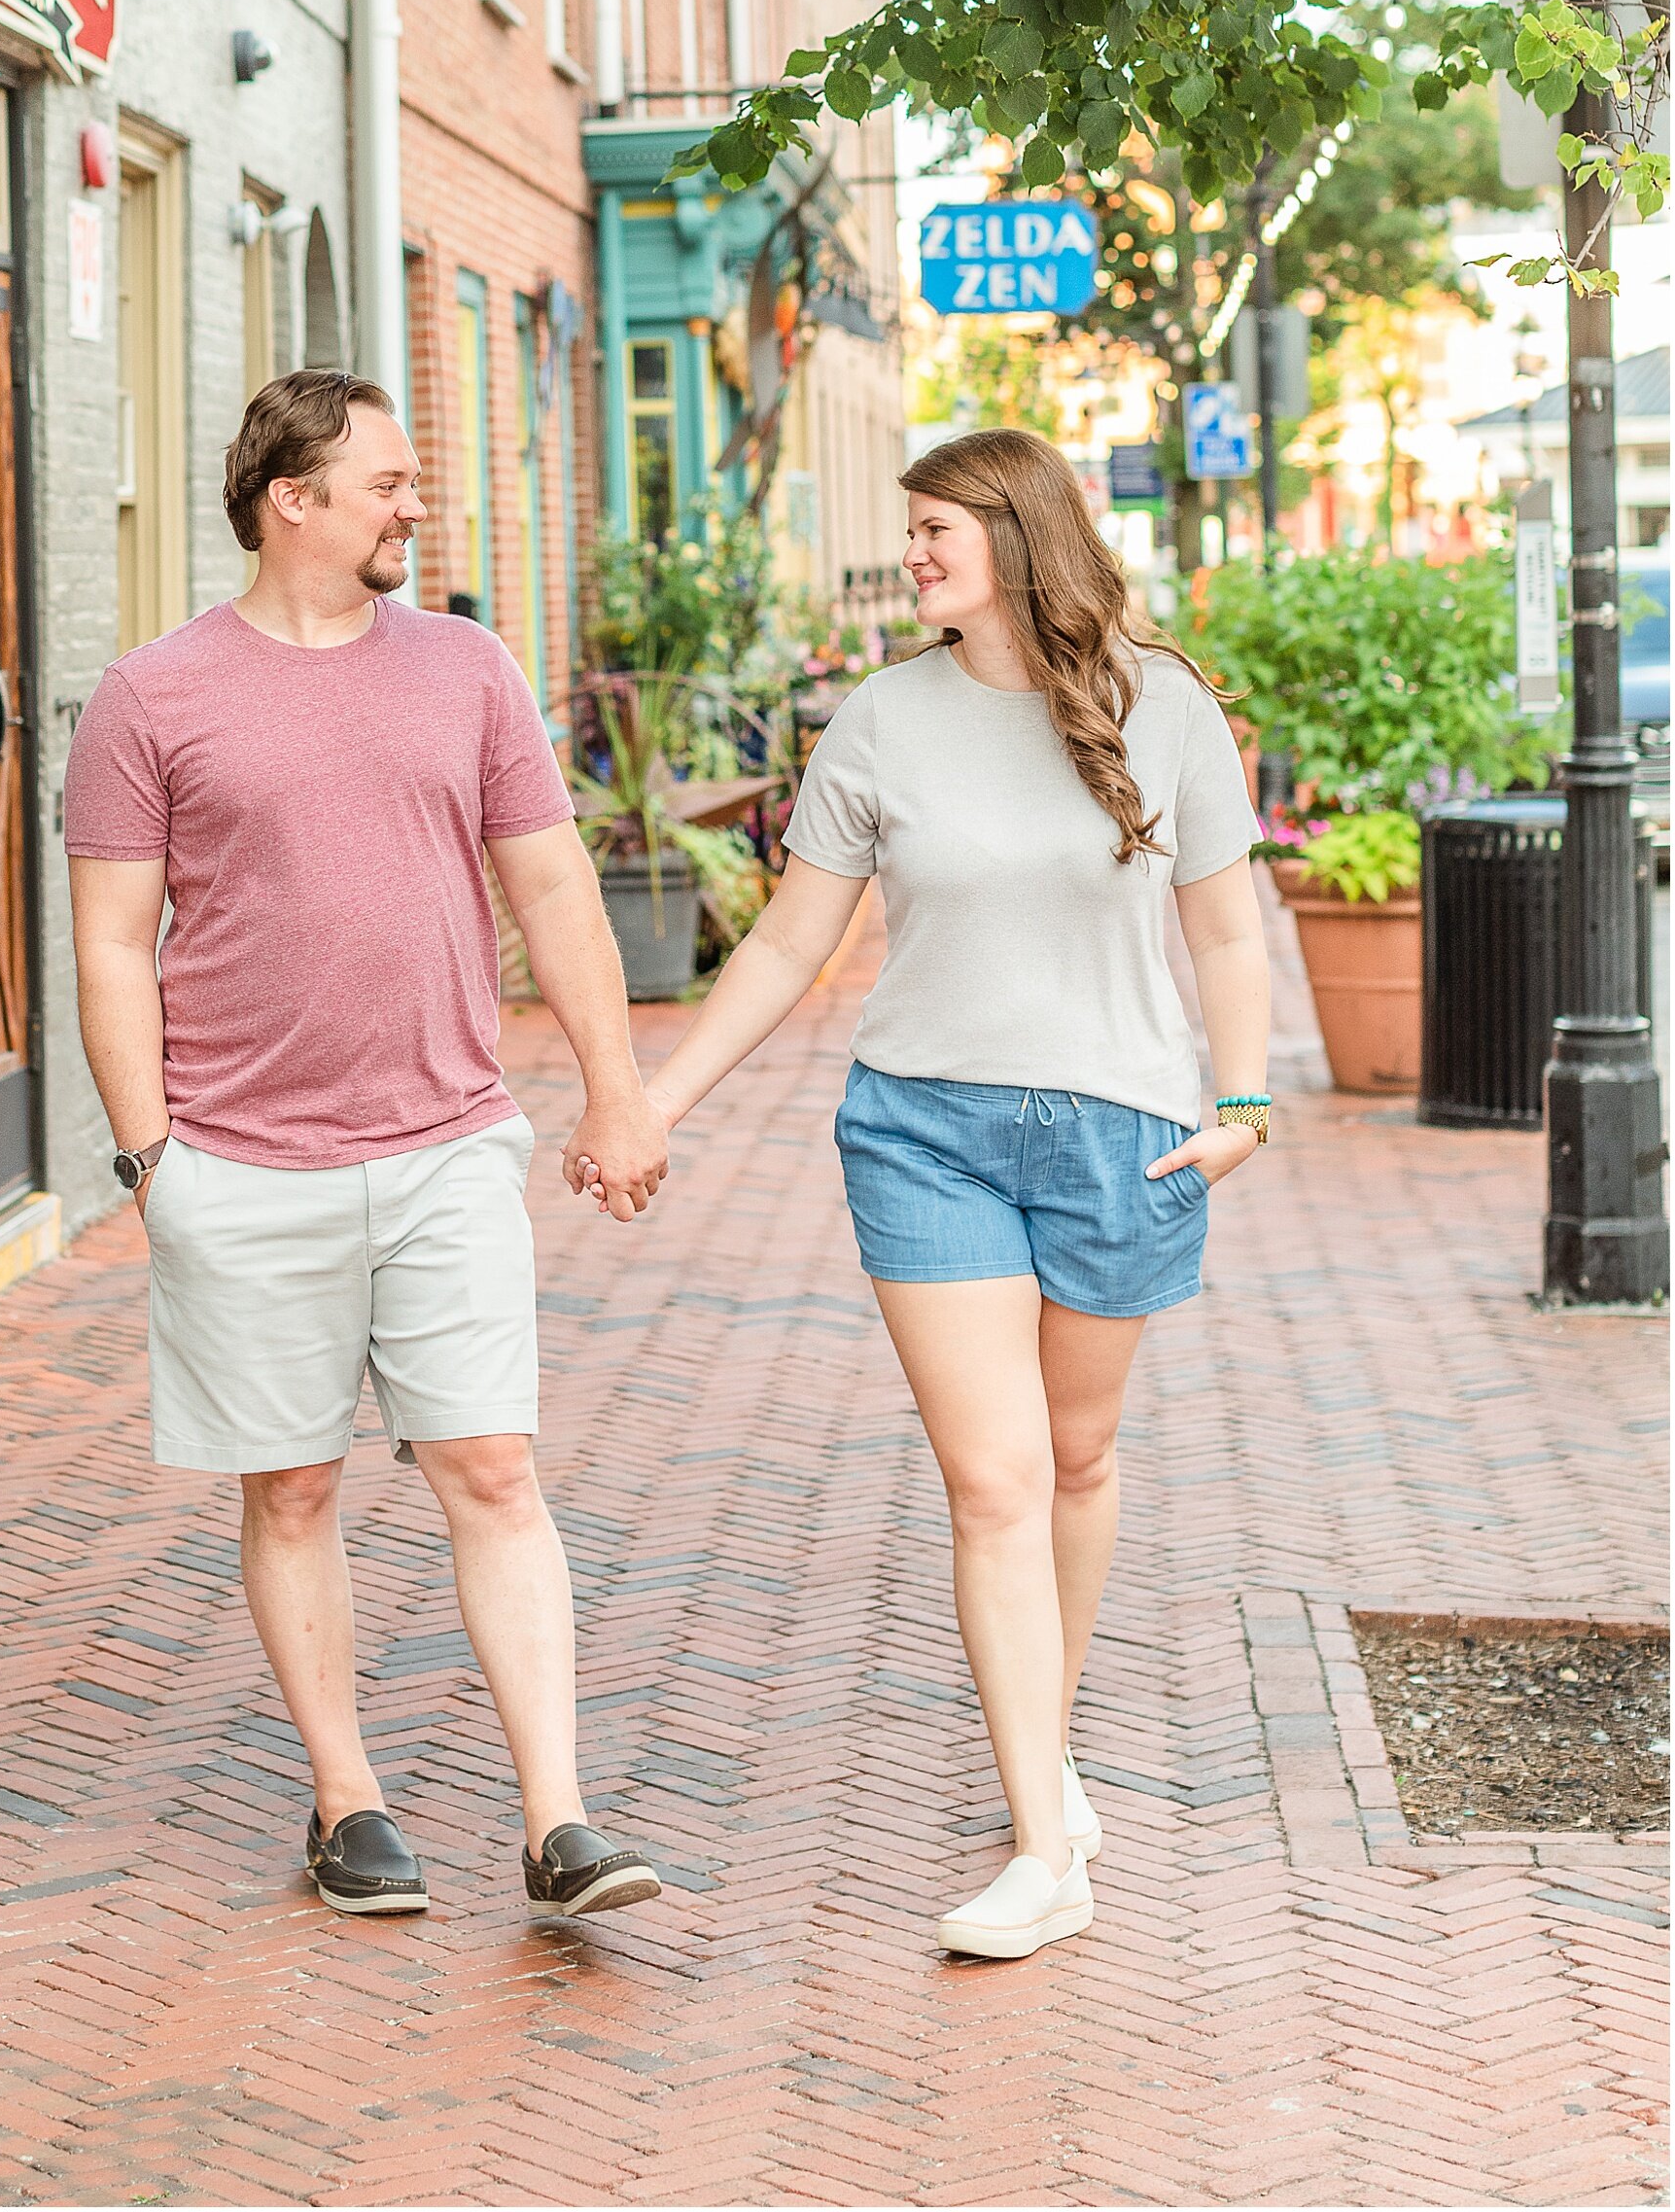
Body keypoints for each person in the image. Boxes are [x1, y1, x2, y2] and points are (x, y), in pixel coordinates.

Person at [576, 428, 1269, 1962]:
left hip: (1123, 1138)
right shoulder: (878, 723)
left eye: (936, 527)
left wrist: (1240, 1107)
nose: (911, 553)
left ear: (1019, 538)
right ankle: (1040, 1843)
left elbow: (1224, 936)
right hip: (924, 1134)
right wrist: (650, 1097)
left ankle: (1052, 1751)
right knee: (995, 1481)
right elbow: (780, 951)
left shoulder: (1160, 705)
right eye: (909, 531)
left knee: (1076, 1463)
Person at [66, 369, 670, 1923]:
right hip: (242, 1164)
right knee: (292, 1491)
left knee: (491, 1465)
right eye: (388, 484)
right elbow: (113, 944)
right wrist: (153, 1166)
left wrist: (616, 1089)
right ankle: (348, 1800)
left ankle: (559, 1821)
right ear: (293, 499)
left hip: (447, 1144)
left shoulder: (466, 669)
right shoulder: (154, 694)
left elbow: (549, 892)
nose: (415, 506)